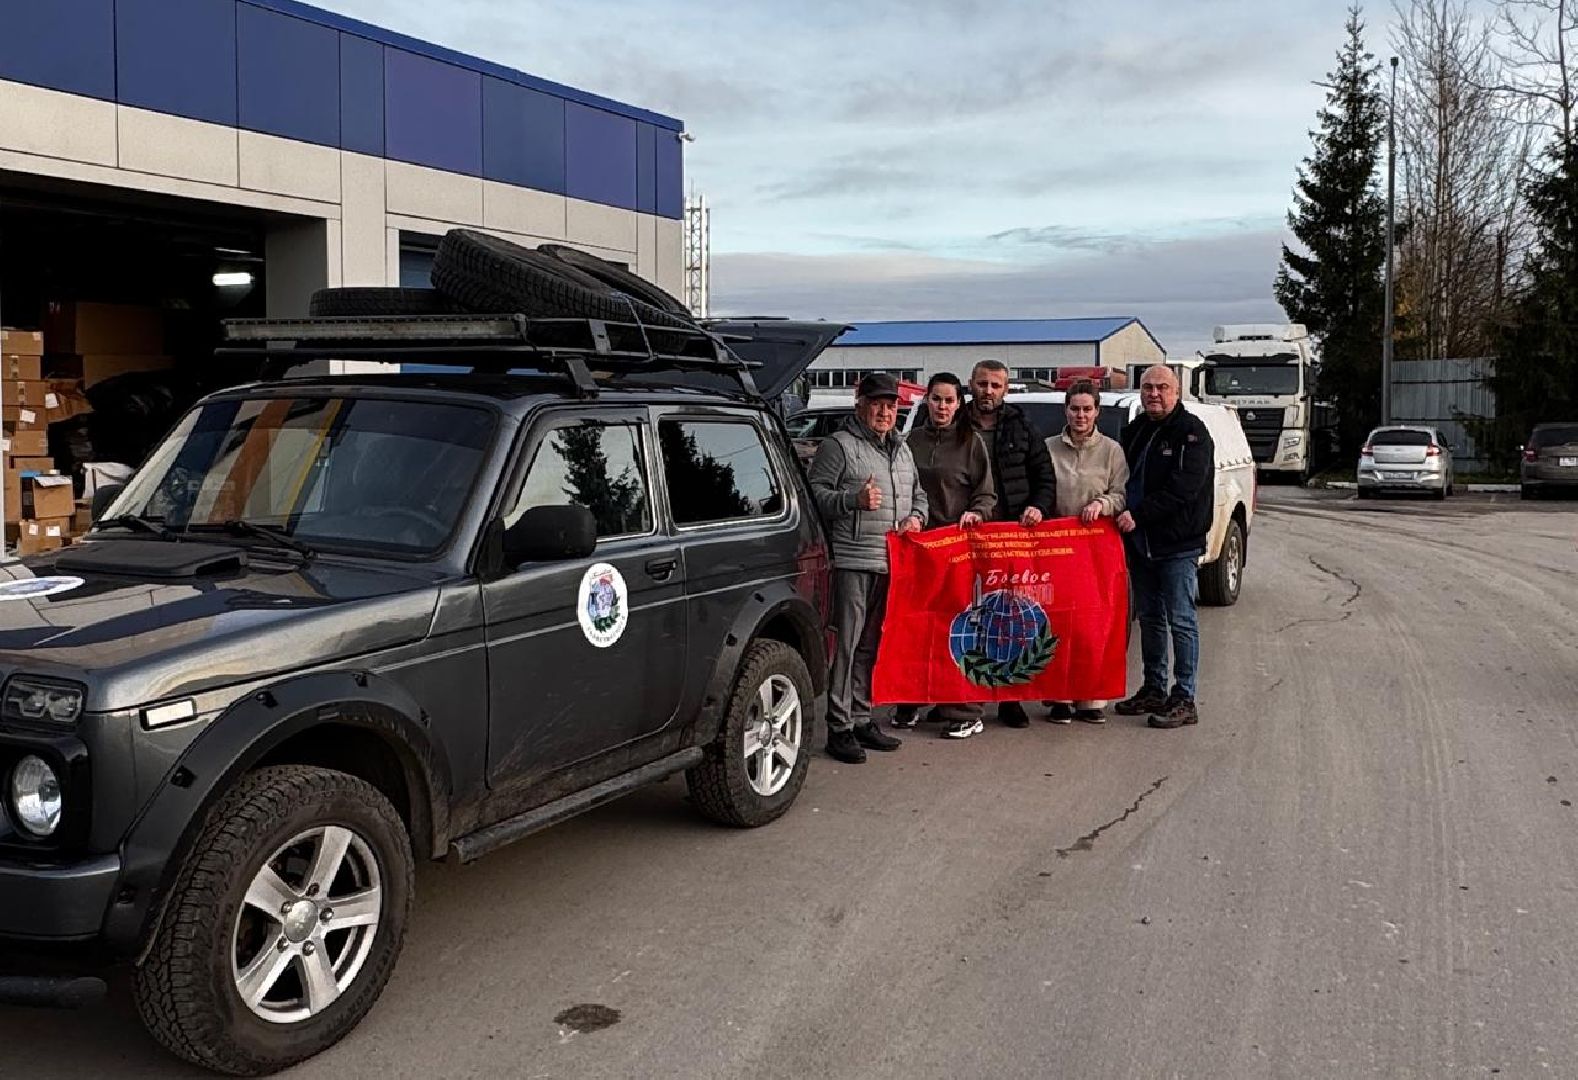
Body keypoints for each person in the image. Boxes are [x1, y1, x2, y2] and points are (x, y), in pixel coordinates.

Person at [807, 372, 928, 764]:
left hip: (891, 560)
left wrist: (917, 517)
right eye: (877, 404)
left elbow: (919, 495)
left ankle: (861, 718)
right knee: (846, 644)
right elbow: (814, 496)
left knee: (870, 645)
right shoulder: (838, 446)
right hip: (853, 559)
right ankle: (839, 727)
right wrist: (852, 500)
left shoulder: (902, 449)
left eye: (891, 406)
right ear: (860, 405)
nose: (885, 412)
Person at [894, 372, 997, 740]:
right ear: (927, 401)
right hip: (917, 551)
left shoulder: (971, 443)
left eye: (949, 400)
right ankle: (911, 700)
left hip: (957, 553)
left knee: (959, 629)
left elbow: (986, 494)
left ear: (959, 404)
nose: (941, 406)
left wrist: (977, 513)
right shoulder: (910, 441)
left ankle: (964, 709)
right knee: (916, 628)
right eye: (936, 399)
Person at [1114, 365, 1214, 729]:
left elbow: (1184, 489)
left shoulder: (1192, 433)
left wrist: (1138, 515)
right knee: (1151, 618)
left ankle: (1184, 697)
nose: (1154, 394)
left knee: (1181, 620)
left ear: (1177, 391)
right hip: (1142, 545)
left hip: (1176, 545)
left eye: (1162, 387)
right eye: (1147, 387)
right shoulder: (1136, 430)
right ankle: (1153, 688)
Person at [966, 360, 1056, 728]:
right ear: (971, 384)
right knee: (968, 616)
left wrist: (1038, 507)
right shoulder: (954, 422)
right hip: (966, 539)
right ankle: (960, 696)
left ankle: (1010, 698)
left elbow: (1045, 478)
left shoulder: (1023, 426)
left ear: (1005, 389)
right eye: (982, 383)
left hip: (1011, 540)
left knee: (1010, 620)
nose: (988, 391)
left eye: (995, 385)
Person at [1042, 379, 1129, 725]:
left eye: (1087, 409)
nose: (1081, 415)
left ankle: (1090, 699)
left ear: (1097, 412)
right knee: (1059, 622)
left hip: (1096, 551)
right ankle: (1059, 697)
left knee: (1092, 625)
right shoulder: (1048, 447)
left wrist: (1102, 504)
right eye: (1075, 409)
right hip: (1057, 549)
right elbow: (1041, 488)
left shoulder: (1112, 451)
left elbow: (1122, 493)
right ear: (1066, 411)